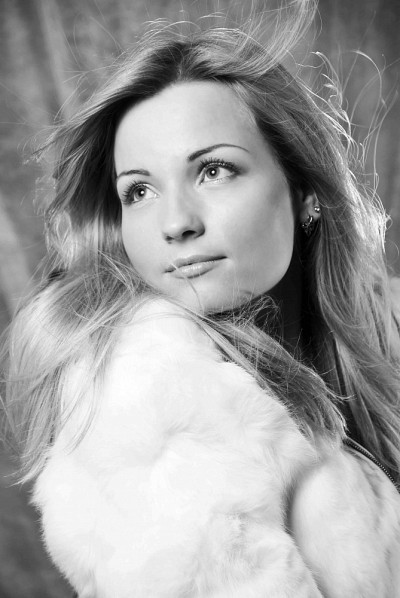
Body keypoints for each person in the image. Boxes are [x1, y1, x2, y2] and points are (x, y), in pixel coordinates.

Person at [3, 1, 400, 596]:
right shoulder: (156, 406)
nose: (176, 223)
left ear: (303, 190)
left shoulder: (371, 341)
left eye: (213, 171)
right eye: (139, 191)